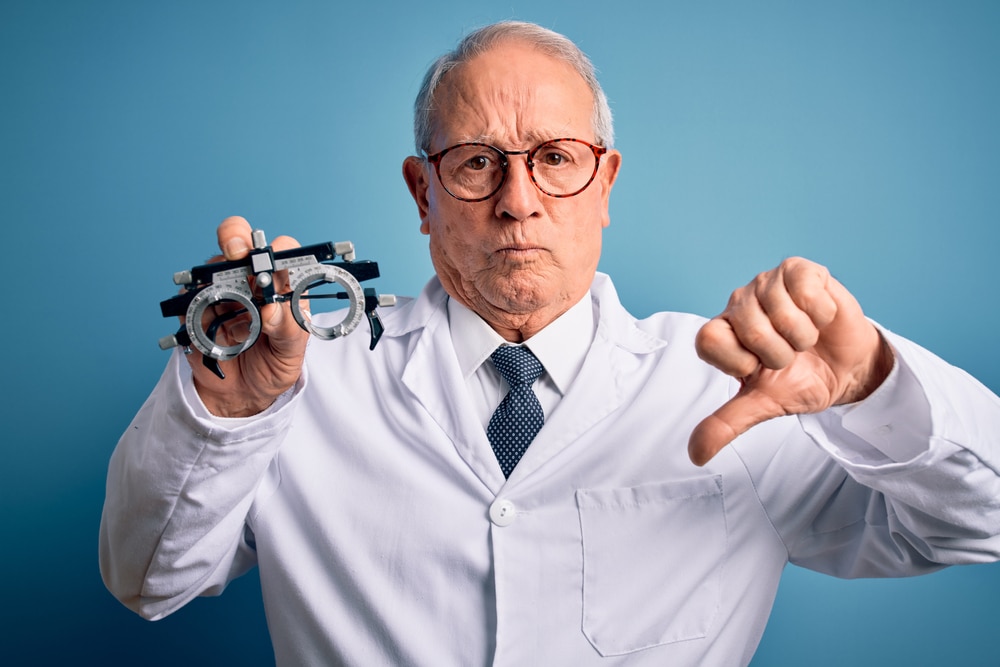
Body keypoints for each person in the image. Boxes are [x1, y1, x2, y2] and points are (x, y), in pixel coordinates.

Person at [100, 20, 1000, 666]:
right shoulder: (301, 378)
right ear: (423, 193)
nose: (519, 200)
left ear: (604, 183)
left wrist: (878, 386)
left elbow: (982, 522)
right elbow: (145, 581)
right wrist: (224, 411)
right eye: (478, 160)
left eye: (556, 158)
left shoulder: (726, 386)